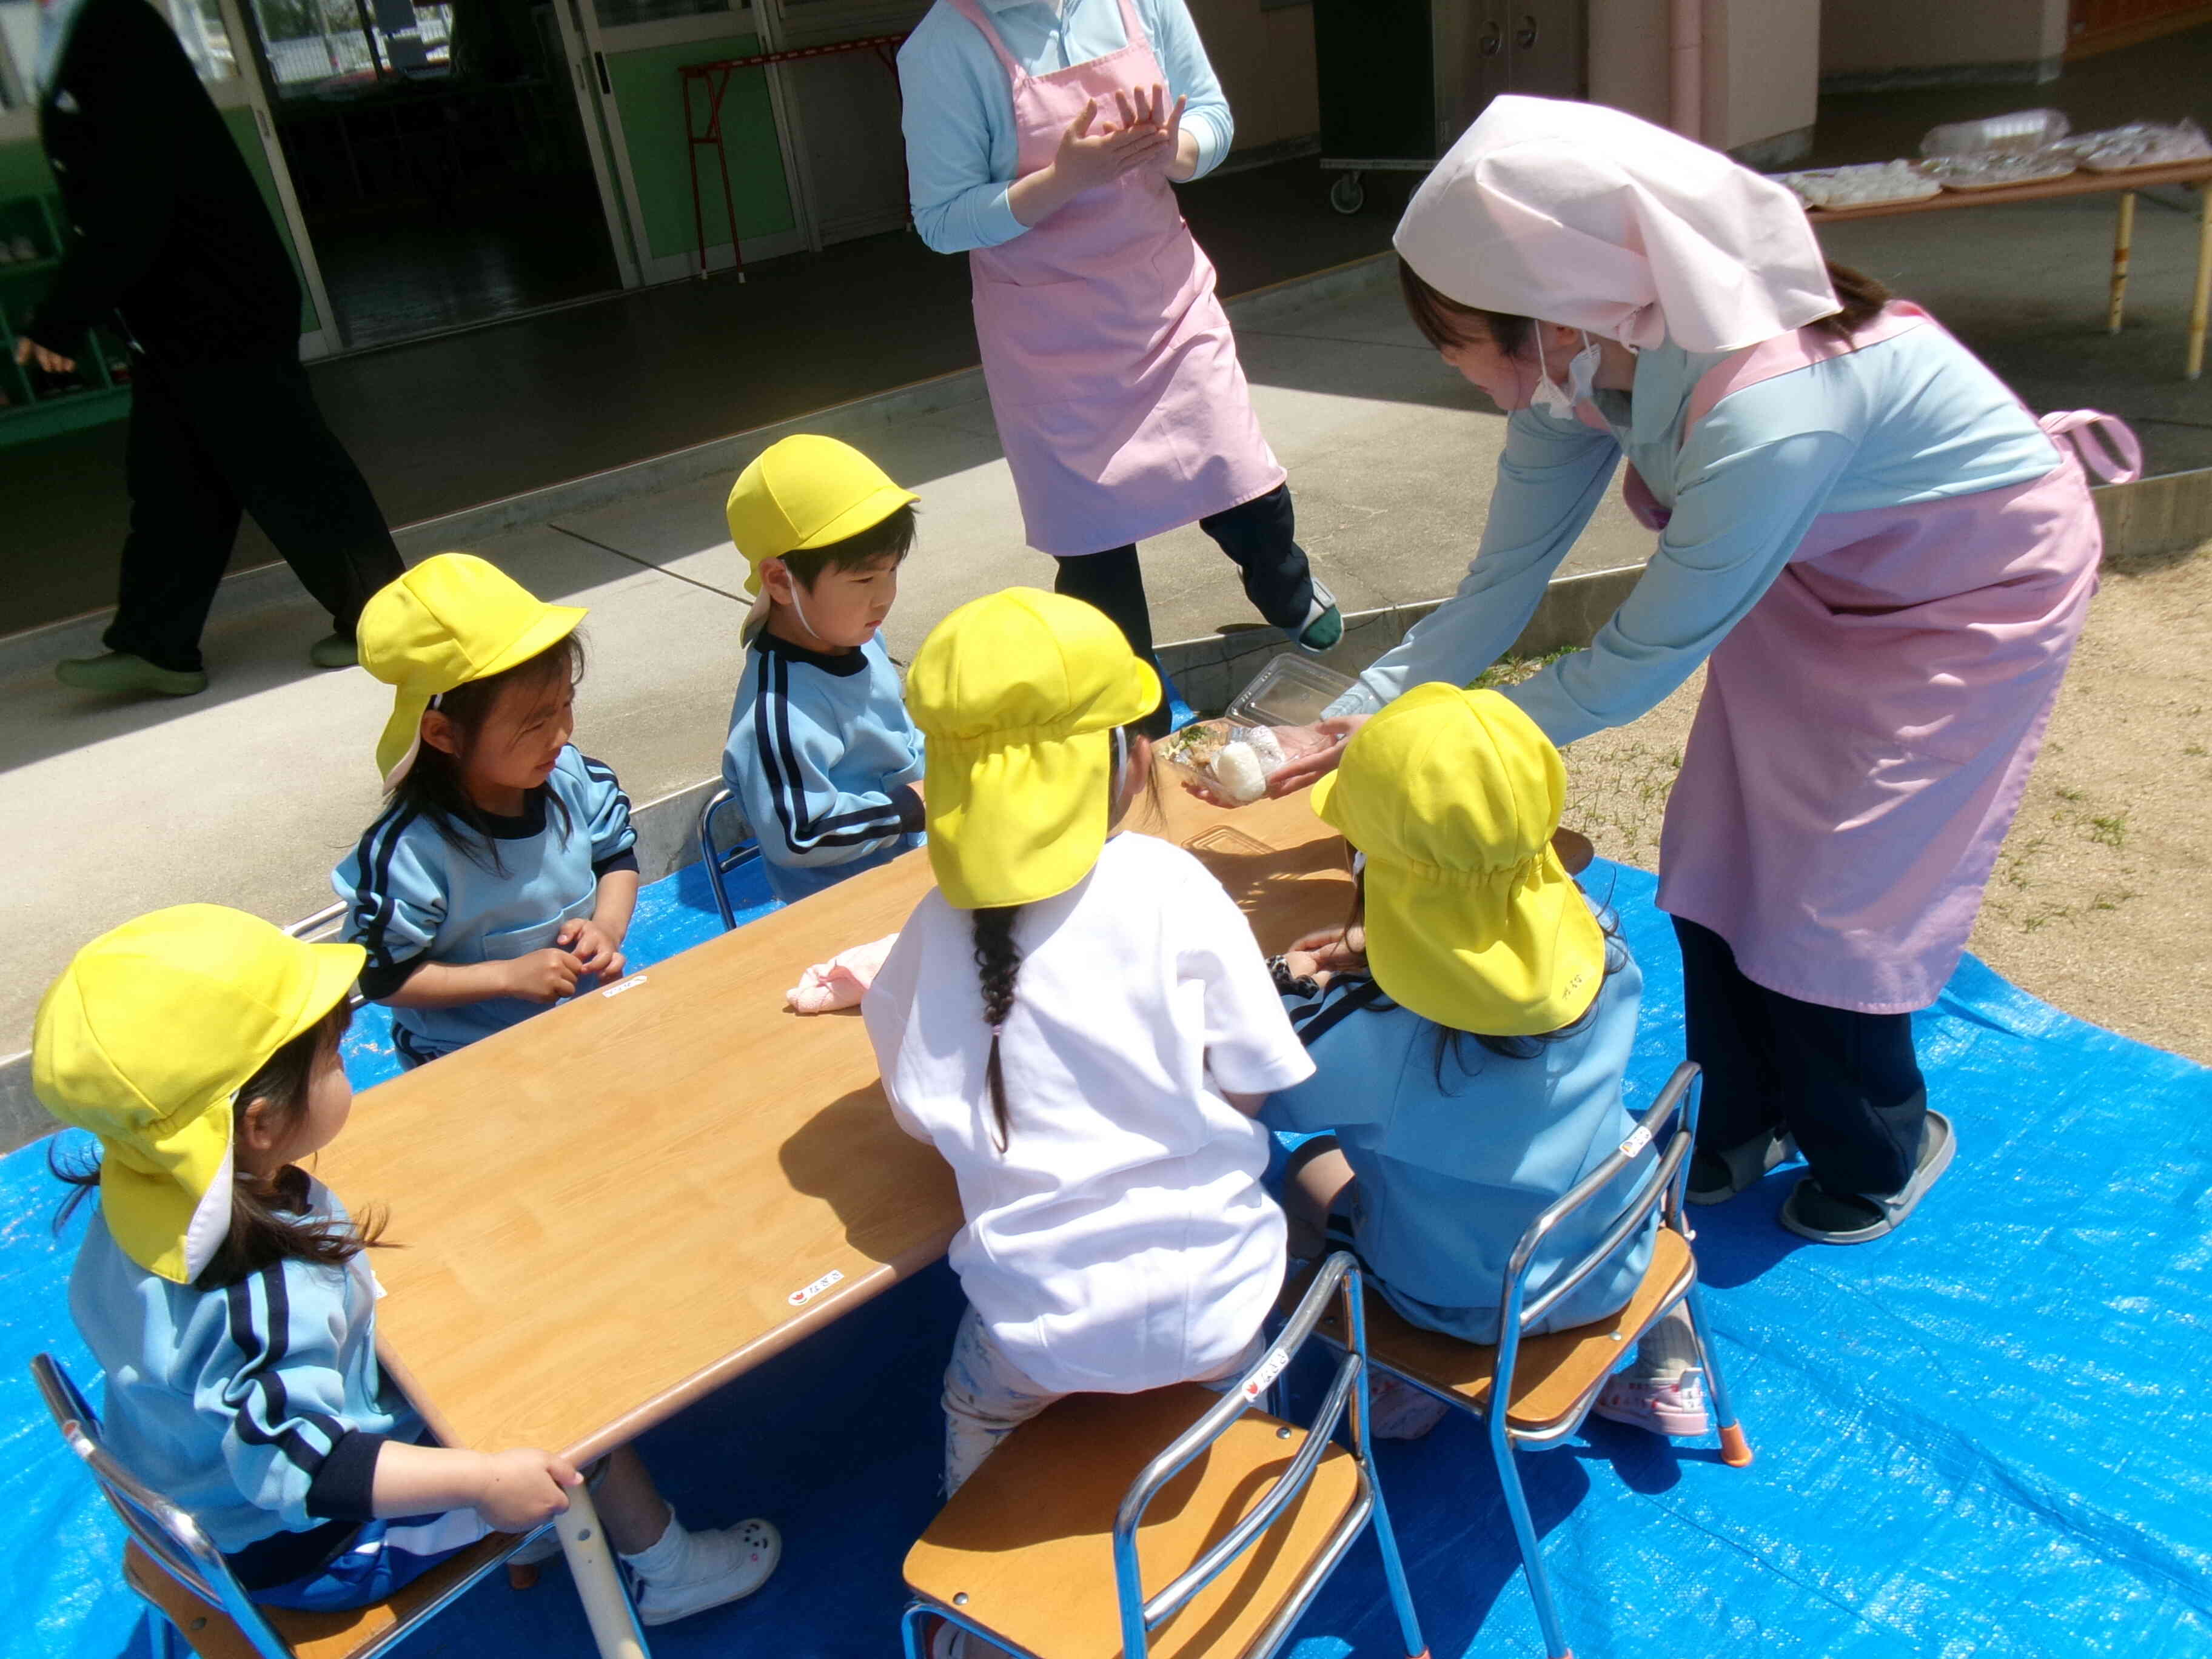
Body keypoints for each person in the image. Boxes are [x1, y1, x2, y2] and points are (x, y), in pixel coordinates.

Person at [1265, 96, 2139, 1247]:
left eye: (1459, 353)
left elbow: (1630, 668)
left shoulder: (1769, 403)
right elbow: (1499, 585)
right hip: (1805, 580)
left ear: (1550, 308)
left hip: (1962, 604)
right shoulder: (1578, 369)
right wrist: (1351, 719)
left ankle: (1871, 1147)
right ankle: (1739, 1115)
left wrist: (1424, 752)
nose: (1469, 383)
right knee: (1718, 848)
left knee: (1840, 888)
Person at [35, 904, 779, 1622]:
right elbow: (303, 1470)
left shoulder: (144, 1190)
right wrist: (487, 1481)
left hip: (207, 1485)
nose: (343, 1069)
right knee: (573, 1415)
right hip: (315, 1544)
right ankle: (670, 1572)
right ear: (259, 1124)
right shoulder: (255, 1288)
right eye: (332, 1059)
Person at [860, 588, 1313, 1493]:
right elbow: (1255, 1077)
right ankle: (1260, 1499)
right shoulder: (1170, 883)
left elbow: (920, 1118)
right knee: (1237, 1383)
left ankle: (975, 1612)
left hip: (1037, 1328)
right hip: (1222, 1300)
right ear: (1130, 760)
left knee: (974, 1403)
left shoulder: (932, 926)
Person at [1264, 685, 1703, 1439]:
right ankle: (1666, 1354)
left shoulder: (1361, 1034)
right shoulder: (1598, 939)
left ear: (1374, 866)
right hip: (1614, 1247)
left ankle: (1402, 1379)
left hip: (1462, 1302)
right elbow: (1475, 936)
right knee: (1615, 1133)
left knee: (1306, 1171)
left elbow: (1256, 1090)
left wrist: (1287, 984)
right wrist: (1389, 948)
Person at [897, 0, 1342, 734]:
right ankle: (1130, 705)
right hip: (1047, 333)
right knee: (1091, 537)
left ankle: (1282, 582)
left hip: (1163, 290)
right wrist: (1062, 178)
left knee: (1239, 468)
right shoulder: (944, 47)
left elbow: (1213, 117)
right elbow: (942, 220)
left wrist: (1173, 150)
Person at [21, 0, 403, 699]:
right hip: (177, 311)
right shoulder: (76, 31)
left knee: (291, 469)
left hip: (218, 303)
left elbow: (131, 196)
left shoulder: (115, 28)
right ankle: (156, 646)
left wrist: (61, 317)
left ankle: (386, 622)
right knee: (173, 482)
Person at [331, 555, 638, 1070]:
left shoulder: (573, 778)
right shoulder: (412, 853)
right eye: (534, 722)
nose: (561, 735)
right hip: (466, 1061)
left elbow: (616, 859)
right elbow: (384, 978)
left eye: (566, 703)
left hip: (586, 1024)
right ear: (443, 734)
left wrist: (606, 927)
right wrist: (506, 976)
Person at [720, 435, 930, 904]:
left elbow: (902, 739)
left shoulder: (861, 635)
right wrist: (908, 808)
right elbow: (799, 834)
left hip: (919, 861)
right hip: (850, 906)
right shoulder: (776, 713)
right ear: (779, 580)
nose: (885, 596)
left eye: (892, 571)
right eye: (863, 579)